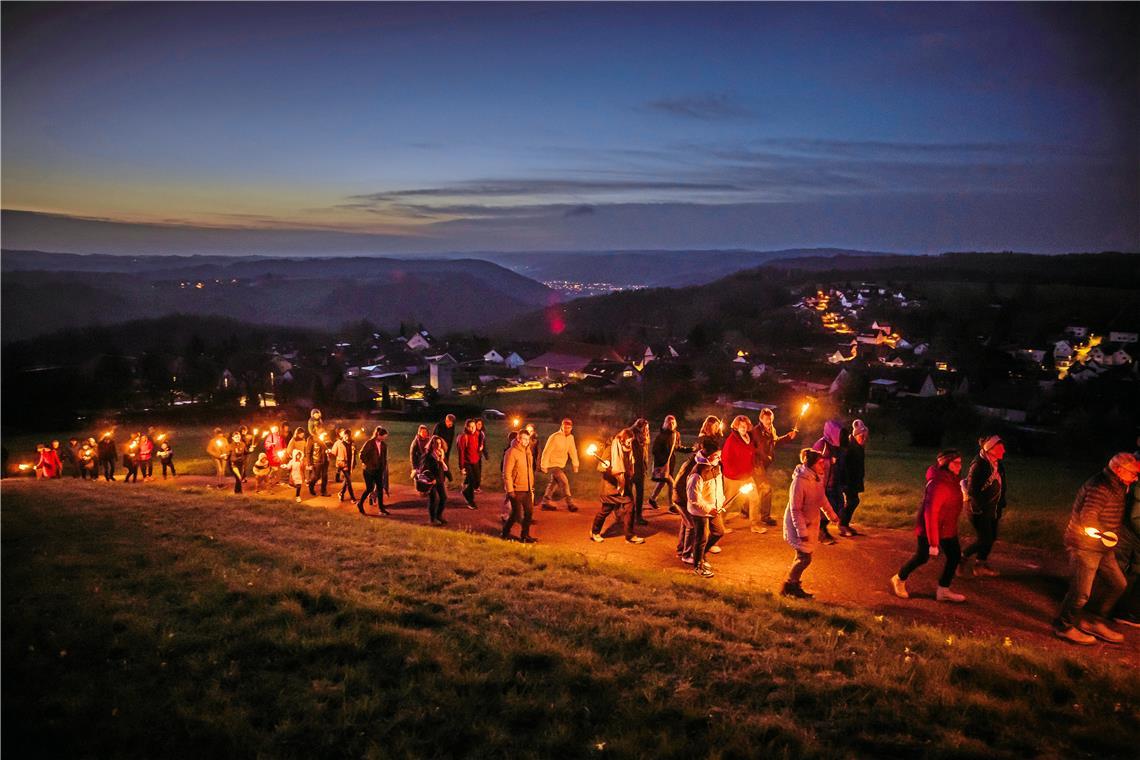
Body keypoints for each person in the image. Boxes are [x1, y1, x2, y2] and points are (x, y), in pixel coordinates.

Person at [1052, 453, 1140, 645]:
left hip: (1103, 547)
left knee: (1118, 584)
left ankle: (1092, 620)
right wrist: (1101, 534)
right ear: (1118, 470)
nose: (1136, 478)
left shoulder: (1118, 485)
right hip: (1085, 547)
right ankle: (1063, 626)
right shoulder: (1100, 487)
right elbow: (1087, 518)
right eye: (1133, 474)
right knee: (1081, 592)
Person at [891, 450, 966, 603]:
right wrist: (933, 542)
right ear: (946, 464)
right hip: (929, 529)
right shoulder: (938, 483)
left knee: (955, 555)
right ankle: (899, 578)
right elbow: (931, 513)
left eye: (960, 462)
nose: (960, 466)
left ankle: (943, 590)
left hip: (947, 528)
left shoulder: (953, 480)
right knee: (922, 557)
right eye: (956, 463)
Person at [781, 449, 840, 599]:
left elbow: (821, 498)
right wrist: (802, 531)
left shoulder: (816, 478)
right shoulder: (799, 482)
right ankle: (789, 585)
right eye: (820, 463)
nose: (823, 466)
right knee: (805, 558)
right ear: (811, 464)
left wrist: (831, 514)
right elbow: (795, 508)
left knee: (802, 556)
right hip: (799, 525)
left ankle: (791, 585)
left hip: (809, 524)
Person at [960, 435, 1008, 576]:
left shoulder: (998, 463)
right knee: (985, 538)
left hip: (993, 507)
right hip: (978, 508)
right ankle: (962, 558)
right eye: (1000, 448)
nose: (1004, 451)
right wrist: (980, 506)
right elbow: (972, 490)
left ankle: (980, 565)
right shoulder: (979, 465)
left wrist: (1001, 501)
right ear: (990, 449)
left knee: (991, 537)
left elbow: (1001, 484)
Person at [590, 429, 645, 544]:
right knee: (606, 510)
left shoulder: (628, 450)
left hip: (623, 485)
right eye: (628, 441)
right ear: (622, 439)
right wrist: (606, 466)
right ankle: (594, 532)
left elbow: (629, 466)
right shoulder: (610, 449)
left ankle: (629, 536)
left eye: (631, 441)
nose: (630, 444)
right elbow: (600, 467)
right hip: (610, 486)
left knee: (630, 507)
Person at [687, 440, 727, 578]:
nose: (719, 458)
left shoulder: (716, 467)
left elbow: (719, 486)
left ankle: (701, 554)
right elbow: (693, 499)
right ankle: (698, 565)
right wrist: (708, 508)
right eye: (717, 456)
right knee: (701, 538)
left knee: (719, 532)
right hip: (699, 511)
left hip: (714, 508)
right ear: (708, 456)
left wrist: (720, 501)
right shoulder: (697, 474)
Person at [752, 408, 797, 529]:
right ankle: (765, 517)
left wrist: (788, 437)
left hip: (764, 464)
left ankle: (745, 511)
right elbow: (757, 449)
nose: (769, 421)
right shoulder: (756, 431)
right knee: (766, 488)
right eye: (767, 419)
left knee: (755, 488)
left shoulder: (771, 429)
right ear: (761, 419)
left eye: (771, 419)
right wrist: (766, 456)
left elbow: (774, 442)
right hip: (757, 465)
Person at [1112, 442, 1140, 628]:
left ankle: (1119, 609)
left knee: (1131, 570)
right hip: (1130, 532)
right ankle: (1117, 610)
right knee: (1122, 571)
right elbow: (1135, 515)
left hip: (1131, 530)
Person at [722, 415, 759, 533]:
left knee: (755, 498)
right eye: (741, 426)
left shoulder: (749, 438)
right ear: (736, 427)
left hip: (747, 476)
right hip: (733, 477)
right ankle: (719, 525)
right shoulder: (731, 441)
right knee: (728, 502)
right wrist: (736, 474)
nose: (743, 428)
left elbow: (751, 454)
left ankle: (754, 525)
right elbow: (726, 459)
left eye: (745, 426)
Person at [811, 420, 846, 545]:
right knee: (824, 509)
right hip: (823, 483)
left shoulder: (836, 446)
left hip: (833, 483)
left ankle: (822, 529)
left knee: (837, 506)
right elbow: (813, 463)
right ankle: (820, 532)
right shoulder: (821, 445)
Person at [649, 415, 691, 511]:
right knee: (671, 483)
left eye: (672, 423)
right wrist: (662, 461)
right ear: (665, 424)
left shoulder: (676, 434)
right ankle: (672, 505)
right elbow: (655, 450)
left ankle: (652, 499)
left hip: (670, 464)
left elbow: (678, 447)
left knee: (662, 482)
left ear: (675, 424)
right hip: (662, 464)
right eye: (669, 423)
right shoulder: (661, 436)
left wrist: (691, 449)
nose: (671, 425)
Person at [502, 428, 536, 543]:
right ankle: (505, 533)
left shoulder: (528, 451)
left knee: (529, 512)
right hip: (516, 489)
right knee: (516, 514)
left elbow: (529, 469)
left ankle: (525, 535)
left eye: (528, 439)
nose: (526, 441)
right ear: (518, 439)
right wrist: (510, 490)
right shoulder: (511, 452)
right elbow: (507, 472)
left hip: (527, 488)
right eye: (524, 439)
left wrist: (531, 484)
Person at [540, 418, 580, 512]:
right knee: (564, 481)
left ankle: (545, 502)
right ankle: (570, 504)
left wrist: (575, 464)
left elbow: (573, 451)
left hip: (561, 464)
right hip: (552, 464)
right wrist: (544, 465)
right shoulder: (555, 437)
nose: (566, 429)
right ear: (561, 426)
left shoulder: (571, 438)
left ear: (571, 428)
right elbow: (546, 451)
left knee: (553, 484)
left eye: (569, 428)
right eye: (565, 427)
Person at [838, 420, 868, 536]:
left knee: (853, 501)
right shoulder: (850, 447)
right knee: (852, 501)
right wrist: (845, 482)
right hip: (848, 480)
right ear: (856, 435)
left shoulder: (859, 447)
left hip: (854, 480)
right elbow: (845, 466)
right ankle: (842, 525)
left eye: (866, 436)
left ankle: (844, 524)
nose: (864, 438)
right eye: (862, 436)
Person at [357, 427, 390, 516]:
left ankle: (381, 509)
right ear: (378, 435)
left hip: (379, 470)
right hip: (369, 470)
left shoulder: (383, 445)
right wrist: (367, 463)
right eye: (383, 436)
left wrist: (383, 467)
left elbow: (383, 457)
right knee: (369, 488)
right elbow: (361, 454)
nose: (384, 438)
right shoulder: (369, 443)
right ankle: (360, 504)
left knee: (380, 489)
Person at [421, 435, 451, 526]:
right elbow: (424, 469)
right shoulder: (428, 455)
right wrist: (432, 478)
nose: (439, 445)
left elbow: (445, 467)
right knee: (433, 499)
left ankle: (439, 516)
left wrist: (441, 461)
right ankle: (432, 519)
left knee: (444, 498)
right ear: (432, 444)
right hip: (432, 480)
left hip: (440, 479)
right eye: (436, 443)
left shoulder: (441, 453)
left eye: (440, 443)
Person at [630, 418, 652, 526]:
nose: (647, 431)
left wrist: (645, 467)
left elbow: (645, 455)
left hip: (640, 469)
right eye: (645, 428)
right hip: (631, 469)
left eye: (647, 429)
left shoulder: (644, 439)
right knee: (628, 494)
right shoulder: (632, 436)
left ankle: (638, 516)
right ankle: (627, 514)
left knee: (640, 493)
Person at [456, 419, 482, 510]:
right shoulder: (464, 437)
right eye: (470, 427)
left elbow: (478, 444)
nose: (472, 428)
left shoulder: (477, 434)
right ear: (466, 427)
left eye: (474, 426)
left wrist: (480, 448)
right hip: (467, 462)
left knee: (477, 480)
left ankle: (465, 489)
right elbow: (461, 453)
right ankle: (470, 501)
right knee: (471, 481)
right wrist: (461, 467)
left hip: (475, 461)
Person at [331, 427, 357, 503]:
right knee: (349, 481)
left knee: (346, 481)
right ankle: (352, 498)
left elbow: (354, 454)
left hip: (350, 465)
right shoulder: (338, 443)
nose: (346, 437)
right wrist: (329, 452)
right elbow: (333, 453)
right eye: (345, 436)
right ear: (343, 435)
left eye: (347, 436)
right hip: (342, 464)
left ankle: (341, 493)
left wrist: (354, 451)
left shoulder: (352, 443)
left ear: (350, 436)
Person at [306, 431, 330, 497]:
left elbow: (328, 446)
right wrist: (309, 463)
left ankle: (323, 491)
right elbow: (308, 452)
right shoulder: (311, 439)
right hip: (317, 460)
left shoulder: (324, 437)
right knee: (316, 476)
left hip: (325, 460)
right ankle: (311, 485)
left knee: (325, 476)